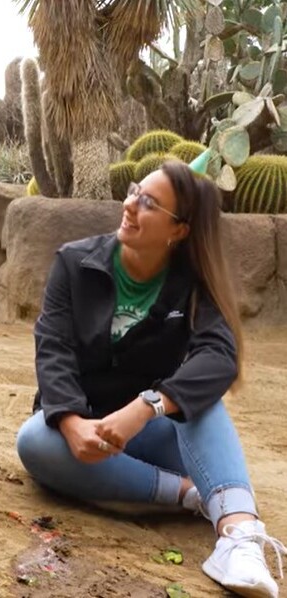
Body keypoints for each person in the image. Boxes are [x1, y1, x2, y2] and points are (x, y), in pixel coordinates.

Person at [16, 159, 286, 598]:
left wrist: (147, 408)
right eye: (134, 191)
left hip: (153, 429)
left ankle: (239, 536)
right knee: (34, 441)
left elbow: (219, 356)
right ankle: (190, 496)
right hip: (86, 430)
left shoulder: (193, 281)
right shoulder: (74, 262)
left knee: (202, 404)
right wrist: (70, 422)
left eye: (148, 203)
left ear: (178, 230)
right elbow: (53, 348)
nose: (129, 205)